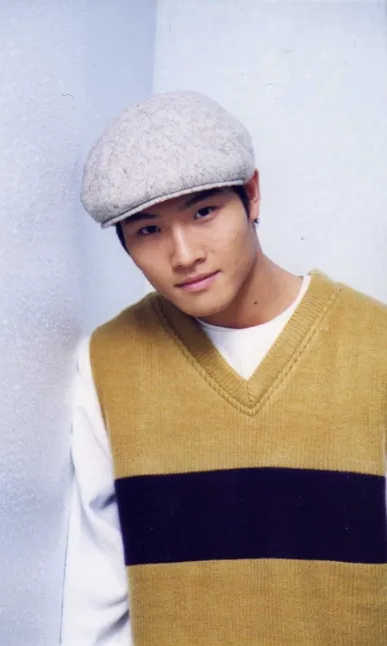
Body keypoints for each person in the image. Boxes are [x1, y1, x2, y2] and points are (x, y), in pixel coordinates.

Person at [60, 91, 387, 646]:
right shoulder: (106, 361)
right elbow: (97, 595)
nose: (184, 254)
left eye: (204, 212)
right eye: (148, 230)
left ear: (252, 194)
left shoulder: (374, 345)